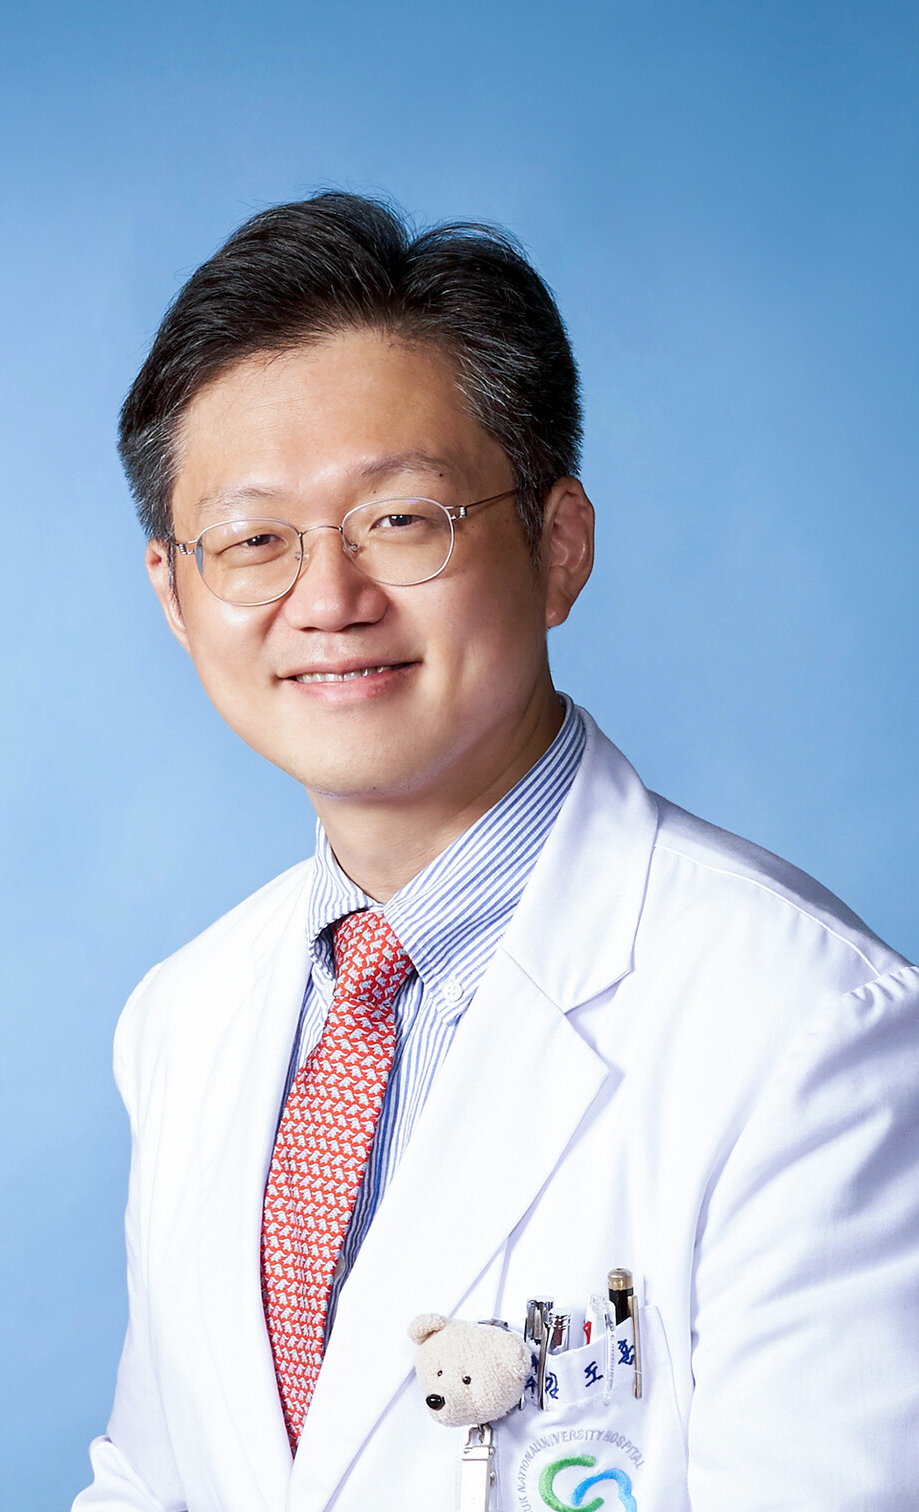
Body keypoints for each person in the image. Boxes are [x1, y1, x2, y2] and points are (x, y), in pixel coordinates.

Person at [74, 192, 919, 1512]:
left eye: (403, 519)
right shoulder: (184, 1017)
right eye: (251, 541)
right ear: (175, 597)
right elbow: (152, 1481)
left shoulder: (810, 1034)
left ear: (558, 547)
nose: (329, 599)